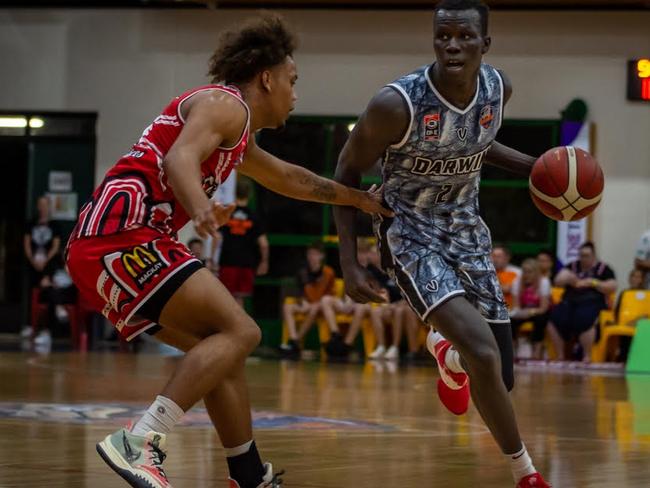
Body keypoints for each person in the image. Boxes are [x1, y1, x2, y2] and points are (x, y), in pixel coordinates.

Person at [65, 14, 390, 488]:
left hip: (105, 245)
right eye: (292, 81)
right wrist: (200, 208)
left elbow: (290, 178)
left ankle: (249, 475)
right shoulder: (226, 104)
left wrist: (360, 200)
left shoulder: (238, 135)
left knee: (221, 349)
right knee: (242, 330)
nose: (295, 94)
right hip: (122, 235)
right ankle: (139, 441)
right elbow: (180, 158)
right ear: (267, 77)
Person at [333, 1, 550, 485]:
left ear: (484, 44)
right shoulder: (396, 104)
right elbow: (347, 169)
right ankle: (527, 474)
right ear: (434, 40)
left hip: (467, 228)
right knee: (485, 355)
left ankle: (447, 355)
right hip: (408, 230)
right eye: (444, 35)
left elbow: (476, 141)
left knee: (498, 377)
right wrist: (348, 262)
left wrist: (540, 169)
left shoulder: (498, 88)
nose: (453, 45)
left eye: (465, 36)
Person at [547, 242, 617, 362]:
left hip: (592, 302)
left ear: (593, 255)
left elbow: (612, 286)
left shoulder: (604, 268)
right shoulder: (572, 266)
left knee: (585, 319)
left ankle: (587, 356)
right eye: (581, 255)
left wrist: (593, 282)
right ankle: (560, 355)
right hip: (569, 301)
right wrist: (568, 278)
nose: (583, 258)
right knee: (553, 318)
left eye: (586, 255)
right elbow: (557, 280)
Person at [214, 177, 269, 308]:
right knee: (239, 300)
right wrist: (264, 262)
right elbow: (264, 244)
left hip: (228, 261)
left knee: (226, 298)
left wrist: (212, 259)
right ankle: (240, 326)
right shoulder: (254, 216)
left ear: (234, 192)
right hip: (247, 263)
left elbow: (217, 237)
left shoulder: (227, 213)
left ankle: (228, 326)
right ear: (249, 194)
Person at [279, 242, 336, 358]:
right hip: (307, 303)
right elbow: (299, 291)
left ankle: (295, 342)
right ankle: (293, 338)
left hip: (321, 305)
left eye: (315, 254)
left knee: (315, 307)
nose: (312, 257)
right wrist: (302, 300)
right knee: (287, 306)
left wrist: (317, 301)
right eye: (310, 254)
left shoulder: (328, 272)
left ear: (322, 256)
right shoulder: (302, 272)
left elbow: (330, 294)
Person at [22, 195, 62, 338]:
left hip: (48, 264)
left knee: (48, 292)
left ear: (49, 207)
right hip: (33, 264)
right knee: (30, 294)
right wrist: (33, 260)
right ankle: (29, 325)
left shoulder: (54, 225)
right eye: (41, 204)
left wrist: (45, 261)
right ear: (38, 206)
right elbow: (26, 244)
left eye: (45, 205)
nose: (43, 207)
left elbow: (56, 246)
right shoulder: (31, 223)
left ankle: (47, 328)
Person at [510, 258, 551, 360]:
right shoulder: (517, 282)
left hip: (539, 312)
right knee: (510, 321)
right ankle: (512, 352)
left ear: (536, 273)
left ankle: (536, 354)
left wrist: (531, 312)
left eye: (530, 272)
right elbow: (516, 306)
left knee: (540, 320)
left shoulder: (544, 282)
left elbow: (543, 308)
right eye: (524, 271)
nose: (526, 274)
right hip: (523, 312)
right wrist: (521, 313)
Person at [492, 244, 521, 309]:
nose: (495, 259)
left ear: (507, 258)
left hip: (509, 311)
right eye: (493, 256)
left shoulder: (516, 272)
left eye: (499, 256)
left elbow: (506, 289)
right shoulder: (488, 271)